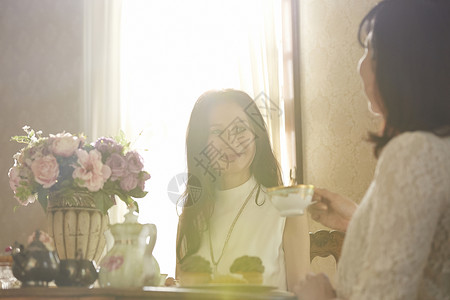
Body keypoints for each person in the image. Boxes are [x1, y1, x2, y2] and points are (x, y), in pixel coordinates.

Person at [294, 0, 450, 299]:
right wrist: (358, 219)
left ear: (407, 65)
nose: (361, 64)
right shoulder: (437, 146)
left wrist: (321, 296)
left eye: (371, 50)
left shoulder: (412, 152)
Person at [175, 89, 310, 290]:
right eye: (217, 132)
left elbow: (303, 295)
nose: (230, 142)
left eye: (239, 129)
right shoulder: (191, 212)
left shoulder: (289, 210)